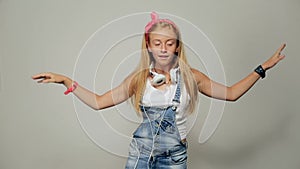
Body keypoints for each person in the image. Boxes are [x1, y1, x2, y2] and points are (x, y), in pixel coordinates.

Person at [32, 12, 286, 169]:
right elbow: (99, 102)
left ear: (177, 47)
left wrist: (263, 67)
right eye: (157, 43)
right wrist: (66, 81)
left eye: (169, 43)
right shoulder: (139, 79)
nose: (164, 48)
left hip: (174, 159)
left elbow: (231, 94)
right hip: (140, 156)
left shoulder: (191, 78)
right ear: (149, 46)